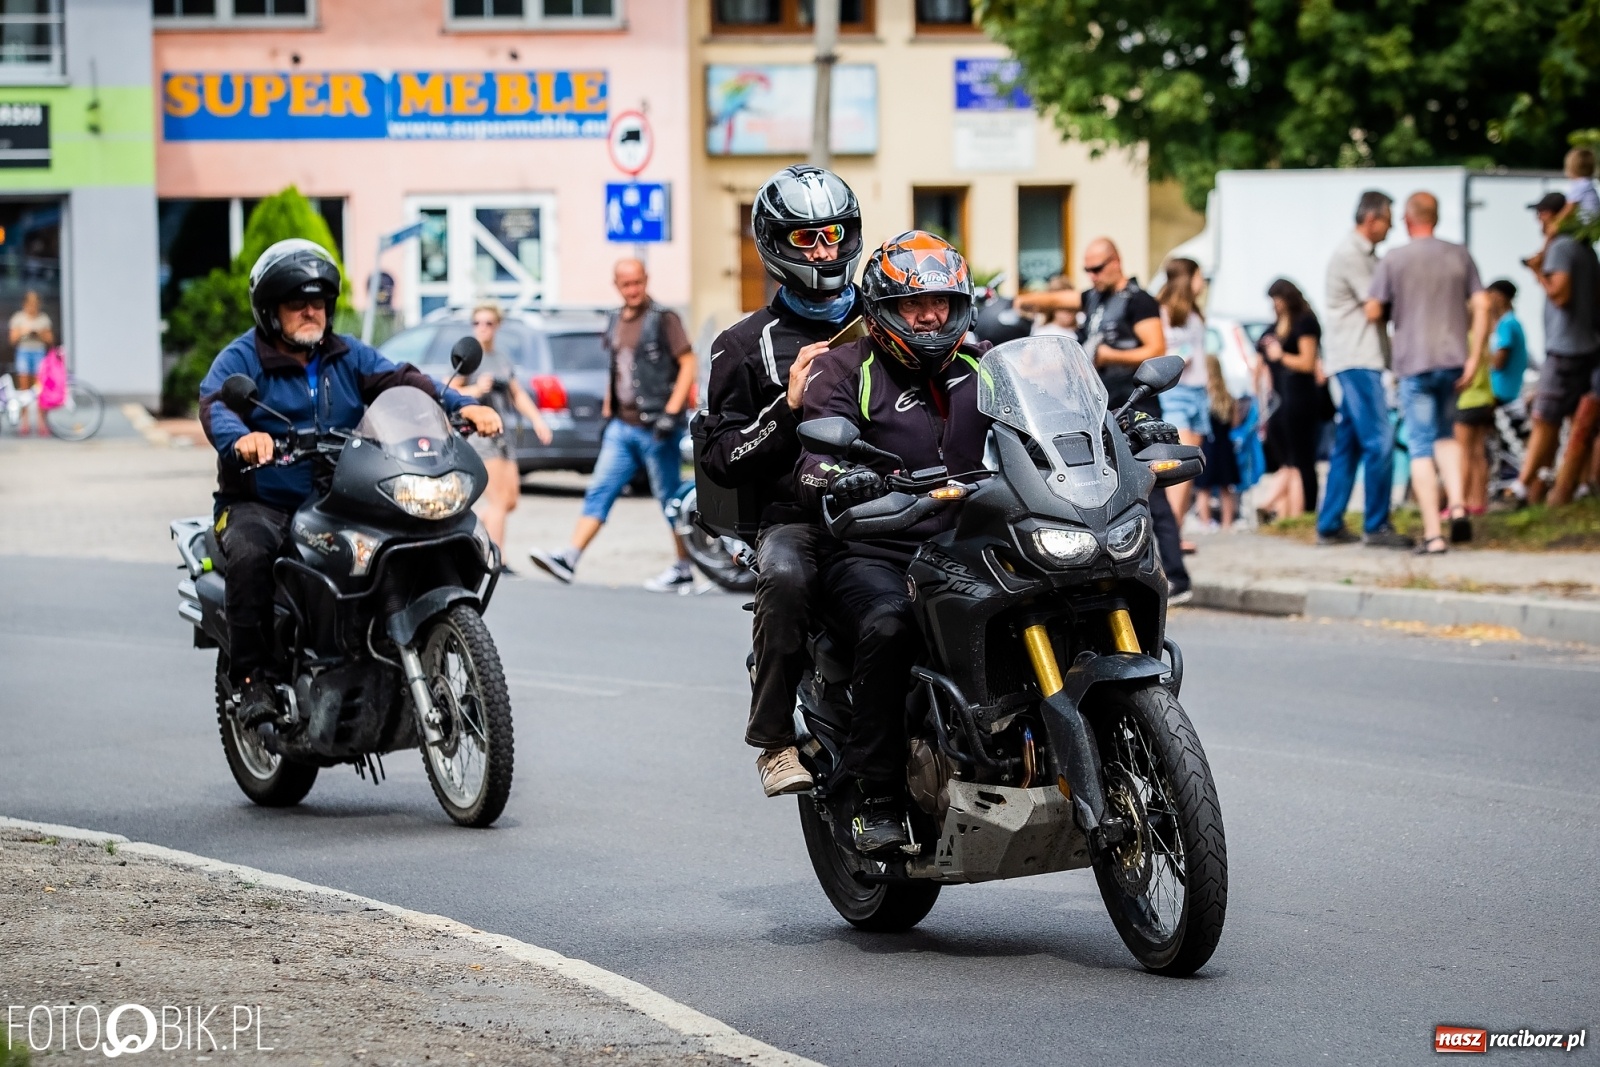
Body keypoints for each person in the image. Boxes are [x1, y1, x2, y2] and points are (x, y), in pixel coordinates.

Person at [198, 240, 501, 725]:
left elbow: (404, 381)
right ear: (270, 310)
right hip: (262, 498)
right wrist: (245, 440)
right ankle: (252, 680)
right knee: (253, 552)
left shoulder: (346, 355)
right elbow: (216, 405)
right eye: (297, 303)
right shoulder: (242, 359)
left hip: (337, 493)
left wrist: (461, 407)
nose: (310, 311)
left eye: (318, 302)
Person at [794, 231, 992, 854]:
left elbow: (1055, 410)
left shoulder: (986, 364)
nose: (932, 316)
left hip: (970, 539)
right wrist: (844, 476)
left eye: (944, 302)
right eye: (916, 305)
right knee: (890, 626)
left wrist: (1116, 423)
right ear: (882, 310)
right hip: (876, 547)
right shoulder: (843, 369)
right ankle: (874, 796)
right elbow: (811, 464)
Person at [696, 164, 865, 798]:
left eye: (832, 234)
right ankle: (772, 740)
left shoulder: (892, 320)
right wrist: (787, 407)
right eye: (806, 239)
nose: (824, 250)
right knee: (788, 576)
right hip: (797, 513)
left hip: (896, 499)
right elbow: (720, 458)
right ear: (774, 243)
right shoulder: (742, 345)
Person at [1015, 237, 1191, 603]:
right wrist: (1019, 301)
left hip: (1134, 407)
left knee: (1148, 494)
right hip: (1097, 413)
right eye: (1087, 270)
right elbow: (1059, 300)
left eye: (1097, 268)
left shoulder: (1137, 300)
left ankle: (1175, 576)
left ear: (1116, 262)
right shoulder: (1094, 298)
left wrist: (1107, 353)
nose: (1092, 276)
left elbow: (1156, 348)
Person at [529, 259, 698, 591]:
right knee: (599, 490)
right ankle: (570, 558)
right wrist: (608, 413)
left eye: (637, 283)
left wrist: (671, 413)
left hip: (656, 426)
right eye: (626, 284)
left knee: (670, 500)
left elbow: (688, 364)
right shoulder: (614, 320)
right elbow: (617, 370)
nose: (632, 290)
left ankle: (684, 567)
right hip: (622, 428)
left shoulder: (664, 319)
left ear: (646, 280)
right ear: (616, 285)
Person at [1365, 192, 1489, 553]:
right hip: (1453, 362)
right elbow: (1481, 305)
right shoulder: (1459, 254)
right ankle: (1459, 505)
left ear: (1406, 219)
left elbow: (1373, 311)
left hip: (1414, 364)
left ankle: (1434, 535)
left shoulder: (1395, 259)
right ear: (1435, 217)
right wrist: (1474, 356)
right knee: (1447, 436)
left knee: (1420, 446)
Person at [1316, 191, 1412, 548]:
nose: (1392, 226)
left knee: (1349, 446)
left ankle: (1329, 523)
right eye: (1388, 218)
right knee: (1380, 441)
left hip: (1356, 358)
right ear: (1371, 219)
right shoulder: (1352, 255)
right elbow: (1375, 308)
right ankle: (1377, 525)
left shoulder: (1364, 255)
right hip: (1358, 360)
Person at [447, 303, 552, 569]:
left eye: (488, 323)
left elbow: (517, 394)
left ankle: (462, 531)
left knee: (511, 500)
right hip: (480, 435)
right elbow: (450, 391)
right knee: (498, 501)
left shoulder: (501, 358)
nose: (482, 329)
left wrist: (538, 420)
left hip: (502, 436)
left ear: (498, 326)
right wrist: (477, 389)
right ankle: (497, 559)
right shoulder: (468, 359)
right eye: (477, 323)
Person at [1519, 192, 1600, 507]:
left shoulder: (1562, 249)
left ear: (1549, 215)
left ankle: (1523, 485)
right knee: (1580, 421)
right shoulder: (1586, 249)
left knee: (1545, 418)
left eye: (1540, 214)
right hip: (1589, 343)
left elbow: (1560, 295)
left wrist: (1537, 271)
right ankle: (1578, 486)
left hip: (1566, 347)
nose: (1538, 220)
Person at [1257, 279, 1327, 523]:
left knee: (1301, 460)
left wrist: (1281, 356)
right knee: (1290, 460)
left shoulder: (1305, 322)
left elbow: (1308, 363)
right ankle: (1289, 515)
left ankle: (1305, 512)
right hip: (1281, 401)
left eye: (1276, 300)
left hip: (1302, 397)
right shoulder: (1275, 328)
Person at [1155, 257, 1209, 550]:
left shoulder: (1193, 311)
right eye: (1200, 277)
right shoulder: (1164, 311)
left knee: (1192, 468)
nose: (1203, 283)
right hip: (1177, 392)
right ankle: (1170, 539)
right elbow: (1166, 351)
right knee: (1180, 466)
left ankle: (1176, 530)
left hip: (1198, 390)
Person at [1192, 353, 1242, 531]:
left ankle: (1206, 523)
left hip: (1207, 446)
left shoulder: (1201, 395)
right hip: (1224, 446)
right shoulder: (1227, 396)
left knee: (1203, 489)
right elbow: (1235, 422)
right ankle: (1227, 523)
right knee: (1226, 488)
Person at [8, 290, 53, 436]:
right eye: (29, 303)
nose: (32, 307)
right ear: (24, 304)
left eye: (35, 303)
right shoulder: (19, 318)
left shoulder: (43, 319)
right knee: (24, 390)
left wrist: (39, 332)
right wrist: (24, 332)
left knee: (40, 389)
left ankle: (41, 421)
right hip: (24, 353)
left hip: (39, 352)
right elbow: (12, 339)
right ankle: (25, 421)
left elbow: (50, 339)